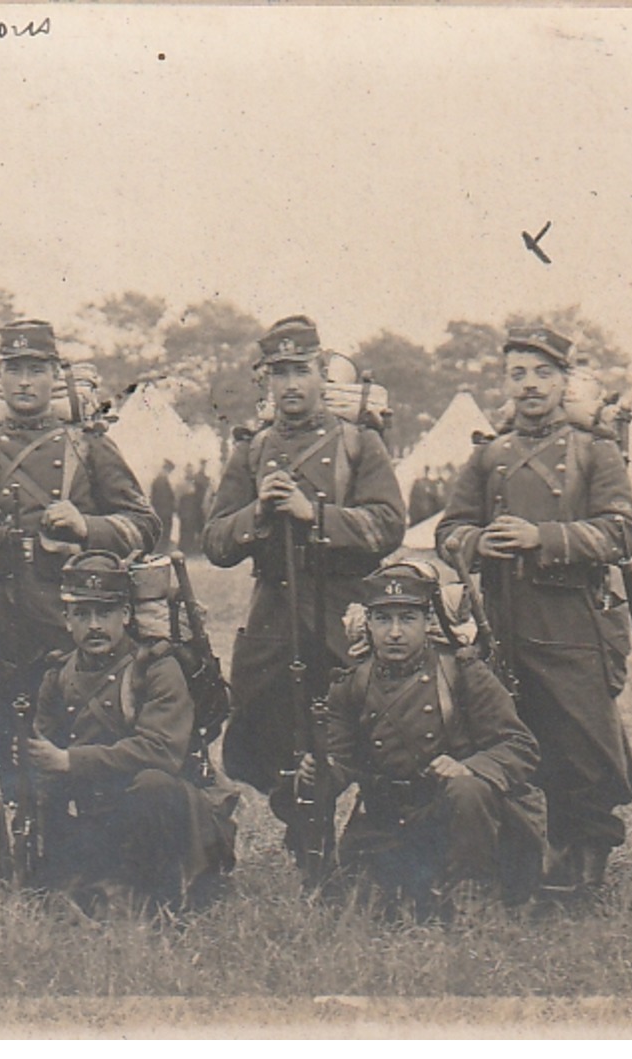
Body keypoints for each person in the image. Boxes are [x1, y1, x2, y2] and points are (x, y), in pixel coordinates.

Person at [0, 320, 161, 835]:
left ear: (55, 376)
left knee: (82, 741)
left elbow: (146, 526)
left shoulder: (90, 448)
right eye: (14, 370)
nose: (25, 382)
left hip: (76, 632)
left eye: (37, 369)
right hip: (1, 636)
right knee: (9, 755)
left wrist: (89, 527)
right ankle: (29, 840)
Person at [436, 324, 632, 896]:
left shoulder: (593, 451)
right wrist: (479, 544)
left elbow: (620, 533)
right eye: (518, 374)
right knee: (509, 733)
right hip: (504, 619)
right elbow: (449, 529)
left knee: (583, 744)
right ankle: (522, 853)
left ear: (564, 380)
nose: (530, 386)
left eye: (543, 373)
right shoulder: (489, 456)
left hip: (573, 621)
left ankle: (586, 857)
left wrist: (542, 537)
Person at [202, 314, 406, 841]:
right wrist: (259, 517)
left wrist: (314, 514)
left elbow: (388, 526)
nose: (291, 384)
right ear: (266, 381)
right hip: (274, 619)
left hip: (344, 616)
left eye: (301, 370)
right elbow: (216, 540)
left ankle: (363, 836)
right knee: (269, 735)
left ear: (321, 373)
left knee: (362, 729)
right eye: (279, 373)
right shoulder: (251, 449)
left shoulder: (359, 444)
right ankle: (304, 827)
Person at [315, 561, 544, 919]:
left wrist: (467, 768)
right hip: (390, 818)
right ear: (367, 624)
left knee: (468, 790)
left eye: (407, 619)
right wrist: (320, 770)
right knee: (364, 905)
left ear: (427, 623)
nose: (394, 633)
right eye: (382, 619)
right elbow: (341, 760)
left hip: (460, 820)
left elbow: (519, 746)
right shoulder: (352, 684)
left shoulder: (463, 673)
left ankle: (472, 894)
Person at [21, 553, 237, 914]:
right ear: (66, 619)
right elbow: (44, 757)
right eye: (82, 614)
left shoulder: (156, 667)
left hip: (174, 818)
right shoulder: (57, 676)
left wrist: (70, 761)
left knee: (152, 785)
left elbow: (161, 751)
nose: (94, 626)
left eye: (104, 613)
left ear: (125, 615)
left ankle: (167, 894)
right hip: (100, 812)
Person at [148, 459, 178, 550]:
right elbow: (163, 499)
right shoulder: (161, 481)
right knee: (164, 532)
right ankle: (162, 550)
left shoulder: (159, 480)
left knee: (163, 532)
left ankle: (162, 549)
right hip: (164, 512)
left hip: (161, 511)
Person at [176, 463, 204, 554]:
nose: (190, 473)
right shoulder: (181, 484)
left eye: (191, 471)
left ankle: (191, 551)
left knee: (192, 532)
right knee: (184, 532)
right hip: (185, 513)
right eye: (188, 471)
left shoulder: (196, 484)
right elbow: (177, 499)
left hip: (194, 513)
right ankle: (184, 551)